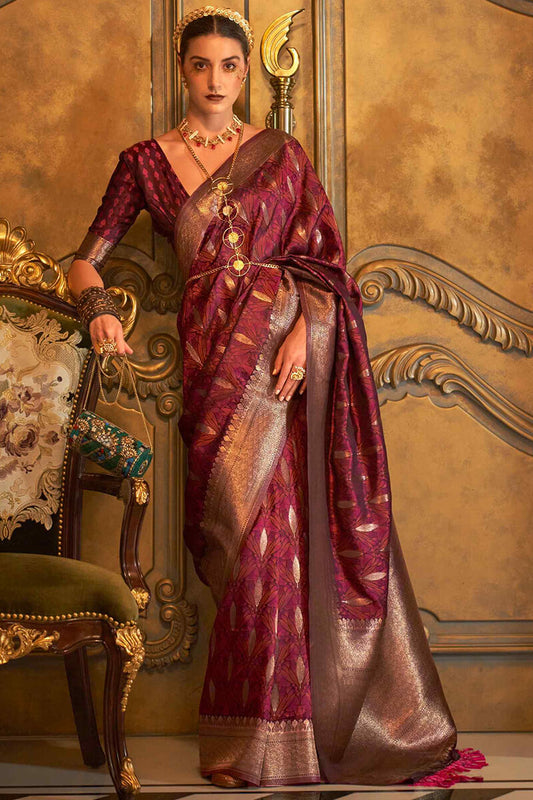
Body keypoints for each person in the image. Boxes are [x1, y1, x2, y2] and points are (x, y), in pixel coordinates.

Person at [67, 5, 487, 789]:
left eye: (229, 66)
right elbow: (85, 258)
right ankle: (247, 738)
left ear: (243, 74)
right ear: (183, 71)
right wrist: (97, 312)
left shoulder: (281, 156)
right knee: (237, 547)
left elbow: (324, 265)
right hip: (212, 371)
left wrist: (306, 331)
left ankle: (285, 741)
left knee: (280, 550)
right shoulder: (144, 162)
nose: (215, 80)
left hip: (281, 369)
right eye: (201, 65)